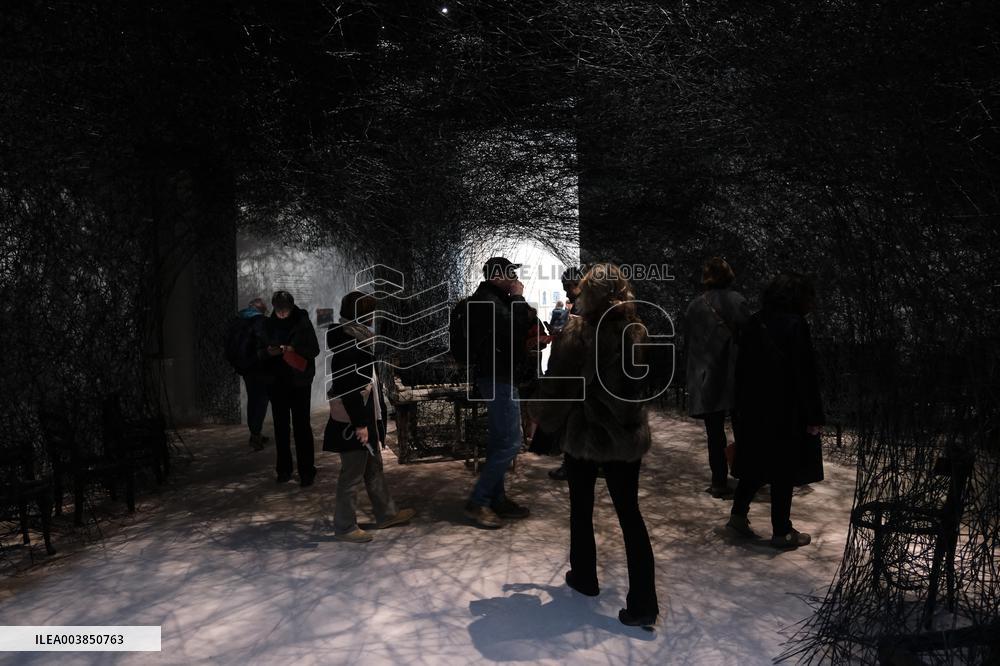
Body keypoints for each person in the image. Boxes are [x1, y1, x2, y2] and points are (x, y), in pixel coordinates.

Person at [530, 263, 659, 627]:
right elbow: (639, 383)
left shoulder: (578, 330)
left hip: (586, 433)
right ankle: (644, 604)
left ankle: (585, 577)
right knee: (630, 514)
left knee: (581, 506)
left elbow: (559, 384)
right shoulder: (637, 331)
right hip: (625, 432)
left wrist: (545, 424)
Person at [726, 272, 824, 549]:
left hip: (751, 406)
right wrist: (814, 414)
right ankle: (781, 531)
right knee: (783, 469)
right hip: (785, 408)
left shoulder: (754, 322)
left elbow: (741, 370)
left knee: (754, 462)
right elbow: (803, 373)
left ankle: (737, 517)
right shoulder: (795, 324)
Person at [324, 291, 415, 543]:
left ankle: (386, 514)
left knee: (373, 468)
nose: (373, 318)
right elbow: (349, 387)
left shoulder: (358, 339)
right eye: (370, 313)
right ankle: (344, 527)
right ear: (362, 315)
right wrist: (360, 424)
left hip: (368, 416)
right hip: (356, 420)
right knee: (351, 474)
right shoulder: (349, 344)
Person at [462, 256, 536, 528]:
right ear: (496, 276)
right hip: (498, 378)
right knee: (511, 442)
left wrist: (516, 301)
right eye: (509, 274)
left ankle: (497, 499)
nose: (513, 279)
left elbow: (526, 323)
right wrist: (517, 297)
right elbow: (515, 328)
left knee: (498, 442)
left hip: (499, 376)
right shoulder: (487, 301)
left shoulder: (493, 299)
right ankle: (478, 501)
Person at [683, 257, 750, 498]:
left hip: (707, 377)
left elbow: (689, 343)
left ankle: (719, 481)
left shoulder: (694, 306)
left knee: (715, 434)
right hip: (735, 375)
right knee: (744, 429)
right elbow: (749, 338)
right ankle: (746, 478)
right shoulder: (738, 301)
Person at [263, 290, 320, 486]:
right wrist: (269, 352)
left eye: (284, 310)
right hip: (277, 381)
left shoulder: (302, 322)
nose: (281, 314)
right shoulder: (269, 324)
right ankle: (284, 470)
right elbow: (261, 350)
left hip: (299, 381)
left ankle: (306, 471)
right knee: (281, 428)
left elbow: (314, 350)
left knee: (301, 426)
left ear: (291, 307)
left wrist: (292, 349)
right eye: (279, 310)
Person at [225, 297, 272, 451]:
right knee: (261, 400)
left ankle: (255, 432)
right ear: (261, 309)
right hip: (259, 366)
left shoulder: (238, 320)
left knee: (253, 398)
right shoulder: (260, 321)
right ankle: (255, 436)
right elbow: (266, 343)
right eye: (265, 309)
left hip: (245, 367)